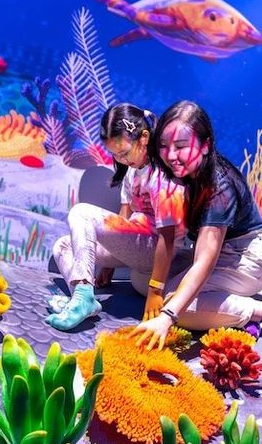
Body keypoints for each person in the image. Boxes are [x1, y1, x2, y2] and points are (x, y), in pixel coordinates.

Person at [129, 100, 262, 355]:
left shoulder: (219, 187)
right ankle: (227, 318)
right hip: (221, 255)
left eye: (181, 146)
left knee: (170, 303)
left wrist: (167, 317)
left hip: (248, 258)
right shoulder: (178, 171)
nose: (171, 155)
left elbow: (204, 263)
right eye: (164, 146)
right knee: (140, 280)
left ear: (205, 145)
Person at [47, 103, 188, 330]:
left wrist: (155, 289)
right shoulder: (133, 171)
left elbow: (168, 237)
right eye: (115, 155)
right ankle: (82, 299)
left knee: (81, 212)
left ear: (144, 138)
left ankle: (83, 295)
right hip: (137, 245)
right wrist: (108, 265)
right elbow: (124, 218)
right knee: (62, 246)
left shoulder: (162, 176)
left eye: (124, 153)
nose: (121, 160)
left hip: (158, 251)